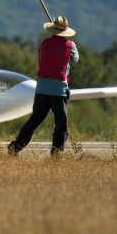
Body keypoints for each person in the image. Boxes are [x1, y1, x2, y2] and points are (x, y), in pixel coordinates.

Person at [8, 16, 79, 156]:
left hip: (41, 88)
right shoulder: (70, 45)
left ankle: (15, 147)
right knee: (61, 124)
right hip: (59, 90)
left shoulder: (43, 43)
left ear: (52, 29)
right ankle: (57, 154)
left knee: (34, 120)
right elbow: (75, 59)